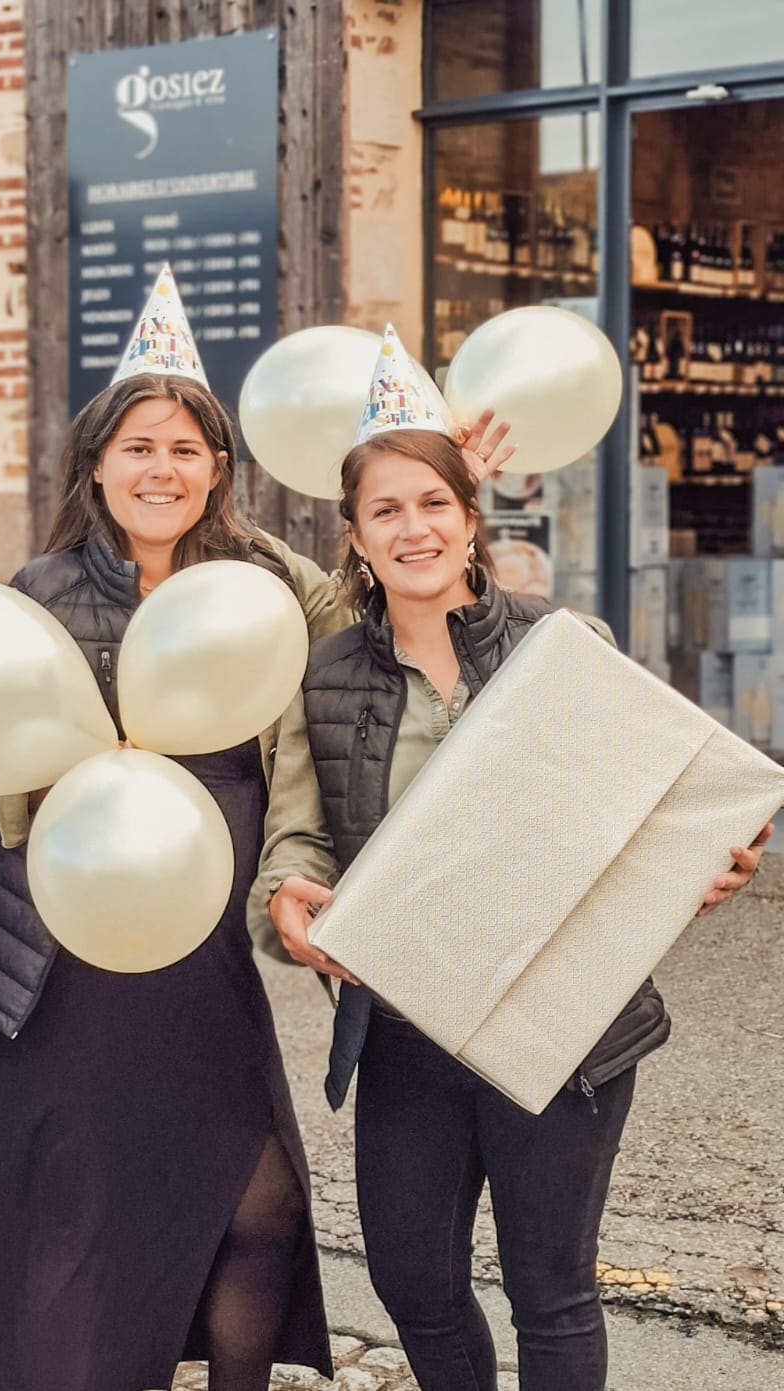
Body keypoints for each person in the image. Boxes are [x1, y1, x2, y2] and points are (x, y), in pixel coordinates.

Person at [257, 328, 771, 1391]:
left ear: (470, 515)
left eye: (432, 502)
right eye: (385, 510)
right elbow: (297, 831)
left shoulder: (558, 640)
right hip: (405, 1022)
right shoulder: (319, 673)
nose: (413, 527)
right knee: (414, 1281)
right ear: (353, 533)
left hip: (565, 1017)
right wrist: (289, 894)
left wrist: (702, 867)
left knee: (551, 1285)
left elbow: (649, 798)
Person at [0, 267, 364, 1391]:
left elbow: (380, 614)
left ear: (219, 469)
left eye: (184, 447)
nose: (160, 467)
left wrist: (447, 468)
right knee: (74, 1228)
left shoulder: (268, 579)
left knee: (260, 1199)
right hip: (65, 950)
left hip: (202, 946)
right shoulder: (38, 589)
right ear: (95, 465)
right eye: (137, 445)